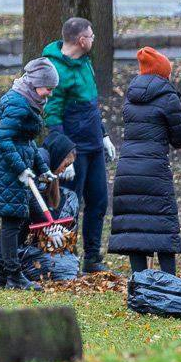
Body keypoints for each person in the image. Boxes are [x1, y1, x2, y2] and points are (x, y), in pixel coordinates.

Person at [42, 17, 116, 273]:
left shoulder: (86, 64)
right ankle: (66, 258)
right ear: (81, 40)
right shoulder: (54, 69)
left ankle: (92, 258)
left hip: (93, 145)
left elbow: (92, 105)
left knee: (98, 202)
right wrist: (66, 154)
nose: (94, 40)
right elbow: (52, 114)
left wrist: (103, 135)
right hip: (74, 150)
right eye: (92, 36)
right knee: (70, 203)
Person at [107, 47, 181, 276]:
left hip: (128, 168)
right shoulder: (168, 96)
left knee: (134, 227)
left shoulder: (131, 94)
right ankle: (169, 283)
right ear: (163, 72)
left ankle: (140, 284)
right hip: (154, 169)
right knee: (163, 225)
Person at [0, 58, 59, 290]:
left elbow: (27, 143)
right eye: (48, 88)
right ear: (36, 83)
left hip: (17, 166)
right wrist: (20, 169)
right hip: (7, 169)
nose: (50, 93)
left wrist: (42, 169)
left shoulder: (30, 100)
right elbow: (3, 139)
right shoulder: (19, 103)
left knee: (14, 219)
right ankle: (14, 277)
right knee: (13, 221)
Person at [0, 135, 78, 281]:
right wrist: (50, 227)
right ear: (59, 155)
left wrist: (49, 225)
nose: (64, 170)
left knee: (15, 219)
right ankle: (7, 272)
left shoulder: (44, 163)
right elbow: (30, 198)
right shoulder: (43, 158)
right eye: (66, 164)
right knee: (15, 219)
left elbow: (32, 199)